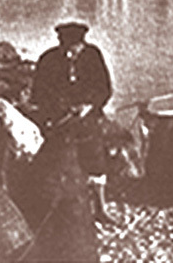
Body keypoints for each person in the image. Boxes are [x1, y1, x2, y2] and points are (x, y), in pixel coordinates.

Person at [28, 21, 117, 225]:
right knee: (55, 159)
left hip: (87, 115)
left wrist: (88, 106)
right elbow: (39, 93)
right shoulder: (49, 59)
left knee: (95, 158)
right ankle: (55, 207)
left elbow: (104, 88)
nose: (69, 52)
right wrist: (58, 108)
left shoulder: (92, 56)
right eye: (64, 46)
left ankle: (100, 207)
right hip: (57, 118)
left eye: (74, 48)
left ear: (81, 44)